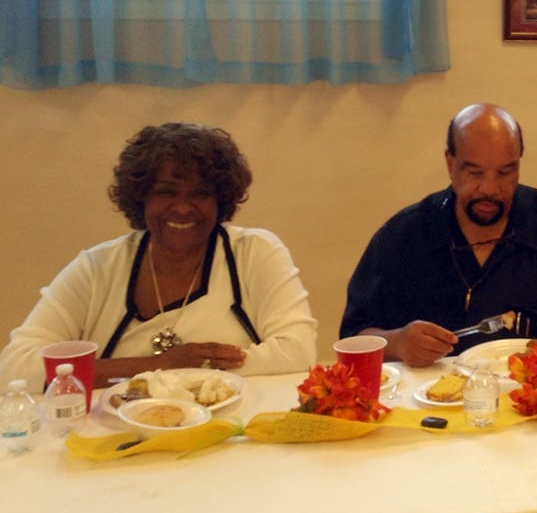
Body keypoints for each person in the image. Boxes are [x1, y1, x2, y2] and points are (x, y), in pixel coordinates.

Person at [0, 123, 318, 392]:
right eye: (166, 192)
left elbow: (298, 352)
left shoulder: (254, 253)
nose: (182, 208)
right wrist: (158, 365)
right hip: (115, 438)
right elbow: (14, 368)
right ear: (141, 198)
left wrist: (184, 370)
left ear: (221, 201)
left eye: (200, 193)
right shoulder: (96, 268)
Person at [340, 103, 537, 367]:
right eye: (475, 173)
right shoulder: (404, 237)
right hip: (431, 401)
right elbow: (355, 336)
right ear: (450, 164)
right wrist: (397, 343)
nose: (490, 189)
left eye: (505, 173)